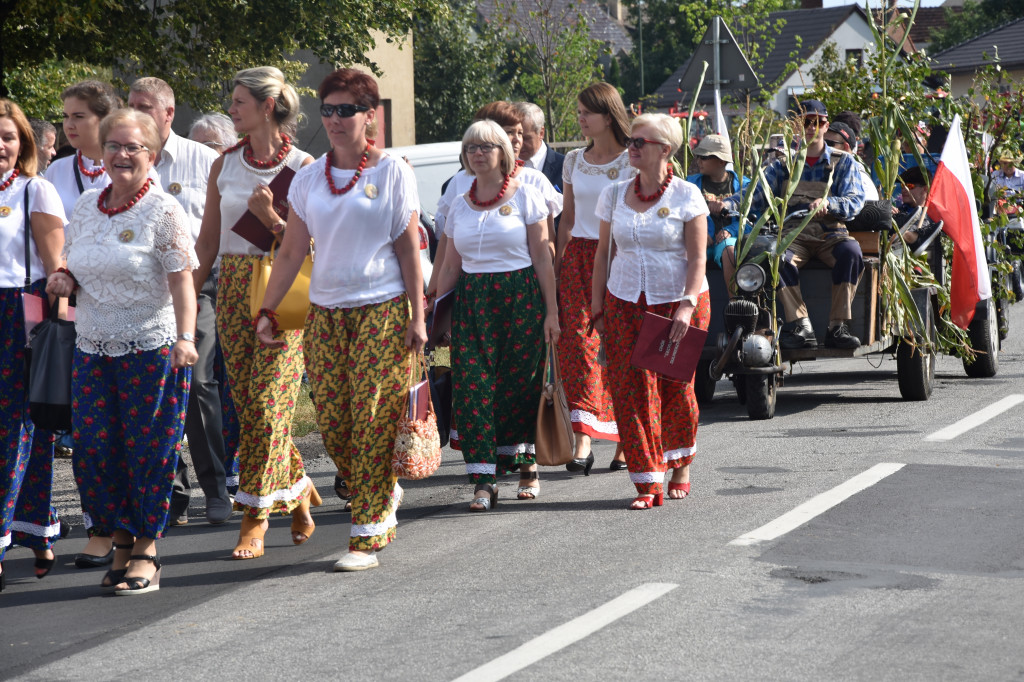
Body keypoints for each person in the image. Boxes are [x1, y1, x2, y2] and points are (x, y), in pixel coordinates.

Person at [254, 68, 424, 571]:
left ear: (370, 115)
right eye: (327, 110)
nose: (334, 118)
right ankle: (379, 488)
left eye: (346, 109)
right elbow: (289, 255)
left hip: (383, 308)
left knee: (371, 417)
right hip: (324, 314)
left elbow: (408, 247)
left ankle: (367, 535)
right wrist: (268, 309)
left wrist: (418, 312)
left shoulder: (392, 171)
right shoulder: (309, 178)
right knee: (334, 422)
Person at [46, 108, 199, 595]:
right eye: (114, 145)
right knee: (94, 450)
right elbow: (77, 263)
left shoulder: (163, 210)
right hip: (92, 346)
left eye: (133, 147)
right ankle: (118, 541)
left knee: (148, 450)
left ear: (151, 156)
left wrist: (186, 338)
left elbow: (182, 282)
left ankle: (147, 551)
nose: (122, 154)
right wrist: (64, 278)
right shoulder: (88, 206)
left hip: (151, 348)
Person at [192, 66, 315, 560]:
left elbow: (313, 246)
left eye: (239, 101)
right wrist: (184, 301)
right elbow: (206, 242)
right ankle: (300, 487)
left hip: (284, 288)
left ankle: (255, 517)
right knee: (253, 408)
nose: (231, 108)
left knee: (268, 407)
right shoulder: (224, 164)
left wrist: (271, 219)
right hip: (232, 286)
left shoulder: (305, 166)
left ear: (267, 106)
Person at [433, 120, 559, 509]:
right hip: (474, 302)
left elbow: (542, 255)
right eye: (471, 147)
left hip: (520, 297)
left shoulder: (527, 195)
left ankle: (526, 467)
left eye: (486, 147)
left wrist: (552, 312)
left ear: (503, 152)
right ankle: (483, 480)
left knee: (517, 387)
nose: (478, 153)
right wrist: (438, 314)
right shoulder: (459, 202)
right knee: (472, 389)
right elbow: (451, 265)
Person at [591, 113, 710, 510]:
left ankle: (680, 465)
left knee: (676, 388)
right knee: (630, 389)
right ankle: (648, 482)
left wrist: (686, 306)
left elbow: (697, 260)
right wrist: (597, 306)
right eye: (631, 140)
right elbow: (603, 256)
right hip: (625, 300)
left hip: (676, 301)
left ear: (665, 149)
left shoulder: (686, 196)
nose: (632, 147)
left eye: (641, 142)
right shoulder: (613, 195)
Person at [129, 77, 230, 526]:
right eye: (130, 105)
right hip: (140, 296)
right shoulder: (123, 160)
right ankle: (173, 487)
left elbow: (221, 231)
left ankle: (216, 486)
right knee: (149, 390)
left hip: (197, 288)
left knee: (200, 384)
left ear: (169, 113)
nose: (135, 113)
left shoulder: (204, 160)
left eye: (144, 107)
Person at [40, 80, 122, 567]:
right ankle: (100, 527)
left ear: (104, 119)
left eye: (80, 117)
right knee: (87, 430)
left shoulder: (130, 168)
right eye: (66, 116)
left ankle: (137, 526)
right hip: (74, 313)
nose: (70, 125)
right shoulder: (54, 171)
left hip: (129, 311)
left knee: (129, 429)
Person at [712, 100, 866, 351]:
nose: (810, 127)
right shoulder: (783, 166)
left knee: (851, 253)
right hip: (794, 235)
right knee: (776, 257)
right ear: (796, 126)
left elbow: (855, 200)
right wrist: (726, 205)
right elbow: (753, 195)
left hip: (831, 234)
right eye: (804, 121)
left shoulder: (843, 162)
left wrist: (830, 203)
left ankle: (837, 326)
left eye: (817, 121)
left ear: (826, 126)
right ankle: (800, 324)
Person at [0, 99, 67, 591]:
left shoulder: (34, 190)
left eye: (7, 136)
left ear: (22, 142)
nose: (0, 146)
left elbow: (56, 269)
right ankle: (36, 528)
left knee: (18, 429)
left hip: (18, 313)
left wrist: (58, 337)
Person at [554, 82, 634, 473]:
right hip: (578, 258)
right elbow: (567, 219)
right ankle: (584, 439)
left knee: (617, 348)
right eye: (579, 112)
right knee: (578, 348)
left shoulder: (632, 160)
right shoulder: (572, 160)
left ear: (608, 115)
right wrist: (556, 270)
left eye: (587, 112)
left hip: (621, 256)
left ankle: (622, 439)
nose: (580, 119)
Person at [686, 133, 750, 297]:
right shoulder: (690, 183)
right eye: (698, 156)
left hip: (727, 241)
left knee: (729, 249)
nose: (699, 161)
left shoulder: (745, 185)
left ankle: (735, 306)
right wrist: (700, 232)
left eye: (704, 157)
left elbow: (754, 219)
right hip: (698, 241)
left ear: (721, 161)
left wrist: (732, 230)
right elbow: (682, 215)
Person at [514, 101, 565, 192]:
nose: (519, 144)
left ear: (541, 133)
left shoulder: (565, 166)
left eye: (526, 138)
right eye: (513, 138)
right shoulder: (501, 167)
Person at [824, 121, 878, 201]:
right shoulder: (825, 170)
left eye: (829, 143)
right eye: (822, 142)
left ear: (846, 147)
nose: (824, 147)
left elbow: (864, 207)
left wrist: (828, 203)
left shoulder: (859, 175)